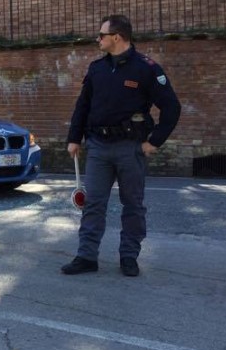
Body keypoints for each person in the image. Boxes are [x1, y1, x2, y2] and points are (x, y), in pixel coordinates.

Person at [60, 14, 181, 277]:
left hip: (131, 147)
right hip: (98, 148)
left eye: (101, 35)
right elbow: (83, 105)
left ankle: (129, 257)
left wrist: (154, 142)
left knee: (133, 205)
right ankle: (86, 256)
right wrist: (74, 138)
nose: (98, 39)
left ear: (117, 37)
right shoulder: (97, 69)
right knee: (92, 204)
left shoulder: (146, 69)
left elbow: (171, 108)